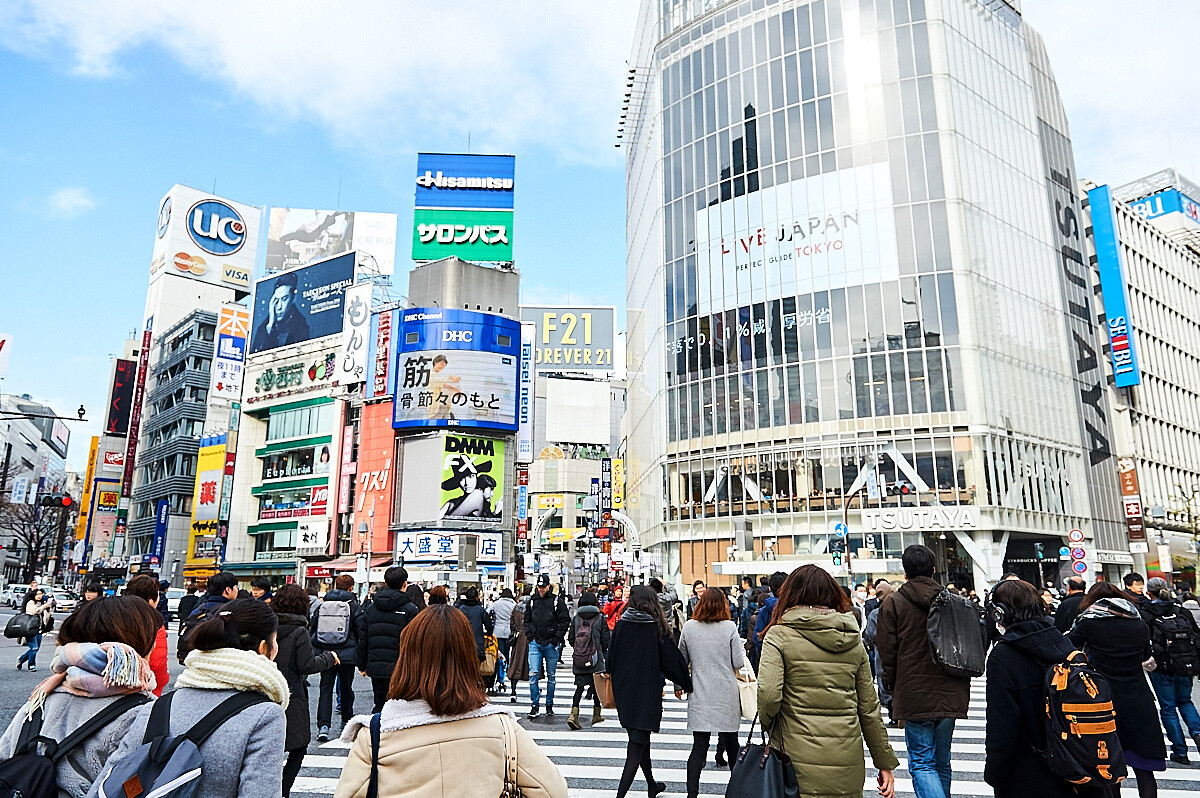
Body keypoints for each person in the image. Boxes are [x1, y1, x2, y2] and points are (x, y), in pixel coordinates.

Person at [333, 605, 567, 798]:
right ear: (468, 657)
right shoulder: (502, 729)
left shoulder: (375, 735)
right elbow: (553, 791)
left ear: (406, 657)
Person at [97, 599, 289, 798]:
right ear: (263, 648)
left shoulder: (157, 706)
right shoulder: (265, 715)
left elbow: (108, 780)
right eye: (275, 641)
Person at [757, 565, 897, 798]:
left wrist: (768, 723)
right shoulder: (851, 637)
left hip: (795, 757)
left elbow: (769, 696)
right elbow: (869, 708)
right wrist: (884, 762)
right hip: (846, 760)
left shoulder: (779, 635)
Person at [0, 596, 160, 797]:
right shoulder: (145, 714)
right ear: (142, 645)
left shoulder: (45, 694)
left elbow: (5, 754)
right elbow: (131, 787)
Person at [983, 578, 1104, 798]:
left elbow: (1002, 724)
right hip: (1075, 764)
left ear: (1000, 613)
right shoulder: (1063, 642)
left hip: (1028, 771)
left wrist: (995, 774)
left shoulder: (1004, 655)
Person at [876, 545, 970, 798]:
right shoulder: (953, 601)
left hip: (914, 690)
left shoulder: (894, 603)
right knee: (941, 761)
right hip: (950, 688)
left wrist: (890, 686)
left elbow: (887, 652)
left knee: (922, 762)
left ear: (905, 573)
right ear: (933, 569)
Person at [1069, 581, 1167, 792]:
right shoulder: (1139, 624)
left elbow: (1067, 645)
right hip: (1139, 696)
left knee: (1110, 765)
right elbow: (1145, 656)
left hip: (1104, 697)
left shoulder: (1088, 624)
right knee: (1144, 768)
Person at [606, 585, 693, 798]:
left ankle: (652, 785)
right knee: (636, 746)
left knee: (639, 739)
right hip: (646, 693)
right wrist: (685, 683)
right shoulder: (655, 627)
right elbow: (671, 661)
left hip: (624, 692)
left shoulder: (622, 624)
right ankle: (620, 795)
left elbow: (610, 661)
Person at [676, 588, 745, 798]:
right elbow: (738, 662)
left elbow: (681, 661)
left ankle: (692, 793)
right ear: (723, 605)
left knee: (699, 746)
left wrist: (678, 685)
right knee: (732, 745)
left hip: (700, 692)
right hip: (726, 693)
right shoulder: (729, 627)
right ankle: (736, 790)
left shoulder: (689, 627)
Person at [273, 584, 339, 797]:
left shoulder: (267, 626)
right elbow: (307, 665)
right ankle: (283, 790)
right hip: (292, 693)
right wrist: (329, 658)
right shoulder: (299, 630)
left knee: (269, 745)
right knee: (298, 746)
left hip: (265, 690)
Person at [1139, 577, 1200, 765]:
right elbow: (1196, 636)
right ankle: (1198, 733)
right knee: (1185, 701)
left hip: (1161, 665)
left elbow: (1143, 640)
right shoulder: (1181, 610)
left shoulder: (1145, 613)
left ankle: (1180, 751)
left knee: (1168, 708)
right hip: (1185, 664)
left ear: (1149, 592)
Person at [355, 566, 421, 713]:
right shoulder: (410, 609)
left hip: (376, 665)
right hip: (400, 667)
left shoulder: (372, 608)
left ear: (386, 582)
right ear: (405, 583)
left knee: (379, 704)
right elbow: (415, 642)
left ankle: (377, 727)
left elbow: (363, 638)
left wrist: (362, 664)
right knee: (399, 706)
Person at [312, 573, 361, 742]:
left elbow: (313, 628)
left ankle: (323, 726)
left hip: (327, 653)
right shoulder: (353, 606)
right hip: (347, 654)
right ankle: (346, 721)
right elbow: (360, 630)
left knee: (325, 688)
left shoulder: (323, 605)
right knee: (346, 688)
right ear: (350, 588)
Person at [524, 574, 569, 719]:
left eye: (543, 587)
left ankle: (549, 705)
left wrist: (556, 638)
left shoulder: (556, 601)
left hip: (550, 642)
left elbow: (565, 621)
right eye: (539, 587)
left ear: (549, 586)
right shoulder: (532, 601)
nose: (541, 589)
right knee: (533, 674)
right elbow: (526, 620)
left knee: (551, 676)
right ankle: (535, 705)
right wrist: (530, 635)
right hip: (536, 641)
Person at [567, 591, 610, 731]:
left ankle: (573, 714)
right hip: (596, 659)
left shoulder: (576, 618)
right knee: (596, 687)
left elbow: (571, 639)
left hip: (580, 659)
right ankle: (596, 714)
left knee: (579, 688)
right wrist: (600, 651)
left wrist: (580, 651)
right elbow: (606, 640)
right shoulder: (600, 618)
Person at [123, 574, 170, 696]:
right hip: (145, 686)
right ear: (150, 599)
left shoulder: (115, 615)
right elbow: (157, 663)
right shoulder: (154, 622)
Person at [179, 570, 240, 663]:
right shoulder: (230, 610)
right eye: (236, 587)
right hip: (220, 660)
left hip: (196, 657)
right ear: (228, 590)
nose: (237, 590)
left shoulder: (200, 608)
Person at [861, 580, 894, 725]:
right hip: (900, 650)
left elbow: (870, 634)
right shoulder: (899, 608)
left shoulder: (875, 613)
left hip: (881, 651)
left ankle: (891, 709)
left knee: (883, 678)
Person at [254, 270, 310, 350]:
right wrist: (270, 325)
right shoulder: (264, 328)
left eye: (284, 299)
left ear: (293, 298)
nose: (279, 307)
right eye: (276, 300)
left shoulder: (301, 326)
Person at [753, 571, 789, 658]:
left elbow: (757, 638)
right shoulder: (793, 608)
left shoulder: (764, 611)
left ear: (770, 589)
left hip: (769, 656)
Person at [16, 587, 54, 672]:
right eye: (37, 594)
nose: (39, 596)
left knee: (36, 648)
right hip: (30, 629)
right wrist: (43, 607)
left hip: (39, 629)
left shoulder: (43, 603)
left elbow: (48, 615)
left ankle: (21, 659)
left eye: (41, 594)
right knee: (34, 648)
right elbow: (34, 612)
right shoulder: (31, 603)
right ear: (34, 595)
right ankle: (31, 665)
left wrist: (48, 609)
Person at [455, 586, 495, 664]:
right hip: (478, 644)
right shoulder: (480, 609)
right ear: (477, 597)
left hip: (463, 643)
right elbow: (488, 624)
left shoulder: (461, 609)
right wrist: (489, 633)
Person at [490, 587, 517, 690]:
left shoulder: (496, 604)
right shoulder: (513, 605)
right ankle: (505, 673)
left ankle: (499, 673)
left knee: (499, 654)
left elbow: (487, 612)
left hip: (497, 632)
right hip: (509, 632)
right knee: (507, 654)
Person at [508, 587, 531, 704]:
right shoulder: (533, 606)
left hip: (519, 638)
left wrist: (516, 629)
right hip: (530, 638)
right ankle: (534, 690)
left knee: (516, 664)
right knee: (533, 666)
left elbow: (511, 622)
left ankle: (513, 691)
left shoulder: (517, 607)